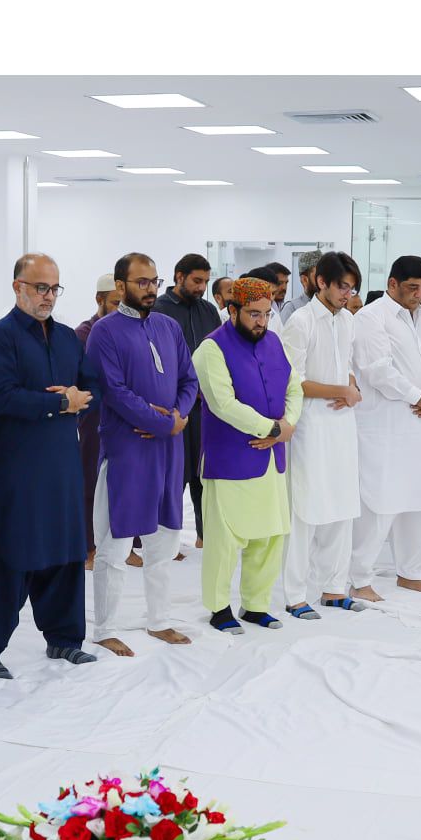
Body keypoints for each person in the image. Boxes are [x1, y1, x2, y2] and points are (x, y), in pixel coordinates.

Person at [0, 254, 99, 677]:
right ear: (17, 287)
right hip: (16, 470)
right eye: (41, 288)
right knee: (9, 558)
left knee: (65, 555)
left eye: (54, 288)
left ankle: (64, 639)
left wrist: (75, 398)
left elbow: (91, 387)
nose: (48, 296)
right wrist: (59, 402)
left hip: (62, 467)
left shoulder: (66, 337)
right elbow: (1, 397)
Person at [84, 252, 199, 655]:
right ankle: (105, 628)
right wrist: (164, 422)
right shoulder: (104, 332)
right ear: (121, 286)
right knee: (115, 546)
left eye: (154, 281)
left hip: (168, 451)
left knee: (164, 541)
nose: (151, 289)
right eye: (142, 282)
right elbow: (114, 392)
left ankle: (159, 621)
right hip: (127, 451)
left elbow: (189, 379)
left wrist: (177, 416)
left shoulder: (168, 327)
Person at [192, 277, 302, 632]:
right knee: (224, 540)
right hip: (230, 459)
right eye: (254, 314)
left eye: (267, 314)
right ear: (232, 310)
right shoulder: (211, 349)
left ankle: (255, 605)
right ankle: (219, 608)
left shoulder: (274, 342)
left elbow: (295, 387)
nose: (262, 321)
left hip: (271, 460)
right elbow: (222, 403)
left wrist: (287, 424)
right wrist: (271, 429)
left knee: (270, 536)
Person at [349, 255, 421, 598]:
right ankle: (359, 578)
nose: (419, 294)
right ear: (392, 283)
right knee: (381, 502)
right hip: (388, 425)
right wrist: (419, 397)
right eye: (413, 287)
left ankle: (410, 571)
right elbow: (377, 370)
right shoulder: (371, 317)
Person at [281, 252, 365, 617]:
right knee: (304, 510)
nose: (347, 295)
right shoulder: (300, 321)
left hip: (342, 424)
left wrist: (351, 386)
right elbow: (292, 379)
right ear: (321, 283)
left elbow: (346, 365)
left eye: (352, 289)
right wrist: (340, 390)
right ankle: (295, 595)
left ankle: (333, 588)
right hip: (310, 425)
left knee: (342, 505)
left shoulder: (347, 320)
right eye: (342, 287)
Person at [153, 253, 221, 546]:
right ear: (179, 276)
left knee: (204, 473)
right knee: (174, 475)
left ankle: (205, 536)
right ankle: (166, 542)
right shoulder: (158, 310)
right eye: (196, 280)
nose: (202, 287)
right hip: (174, 406)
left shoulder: (208, 310)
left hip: (206, 407)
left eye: (205, 281)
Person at [75, 274, 120, 563]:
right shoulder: (84, 334)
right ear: (99, 300)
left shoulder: (125, 331)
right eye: (115, 303)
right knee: (91, 481)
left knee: (122, 482)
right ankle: (89, 547)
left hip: (121, 418)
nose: (119, 309)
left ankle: (125, 544)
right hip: (93, 418)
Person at [282, 249, 324, 319]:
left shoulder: (333, 306)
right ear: (304, 280)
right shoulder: (292, 308)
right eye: (318, 277)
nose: (324, 282)